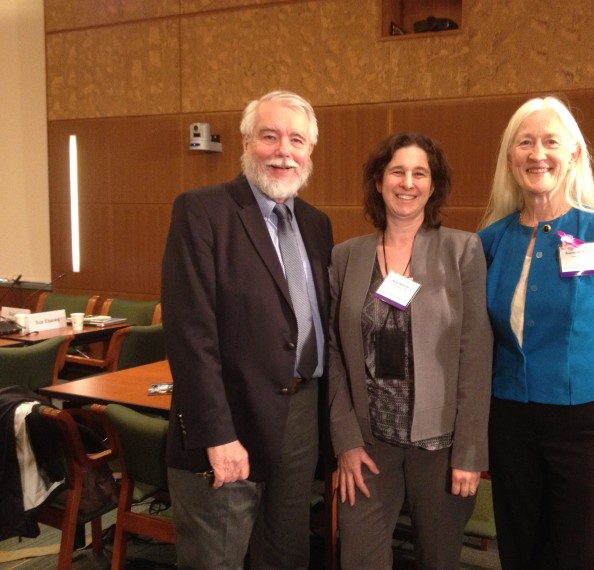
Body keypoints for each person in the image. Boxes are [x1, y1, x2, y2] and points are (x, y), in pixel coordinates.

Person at [478, 96, 594, 569]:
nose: (538, 154)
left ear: (573, 153)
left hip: (589, 428)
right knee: (521, 553)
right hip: (512, 423)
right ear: (511, 157)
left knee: (586, 556)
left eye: (551, 142)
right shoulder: (489, 242)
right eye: (526, 142)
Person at [161, 90, 333, 569]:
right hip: (230, 420)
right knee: (216, 559)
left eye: (296, 140)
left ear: (310, 151)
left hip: (301, 419)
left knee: (286, 555)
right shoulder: (202, 212)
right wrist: (217, 435)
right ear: (245, 142)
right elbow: (190, 334)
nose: (284, 151)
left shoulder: (317, 225)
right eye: (270, 136)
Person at [329, 132, 493, 568]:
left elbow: (476, 356)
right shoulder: (346, 257)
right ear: (379, 182)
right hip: (367, 444)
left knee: (437, 560)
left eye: (419, 172)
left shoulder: (463, 251)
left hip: (440, 448)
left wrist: (470, 454)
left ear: (433, 185)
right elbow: (333, 356)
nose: (407, 182)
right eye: (397, 171)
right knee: (359, 560)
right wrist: (344, 441)